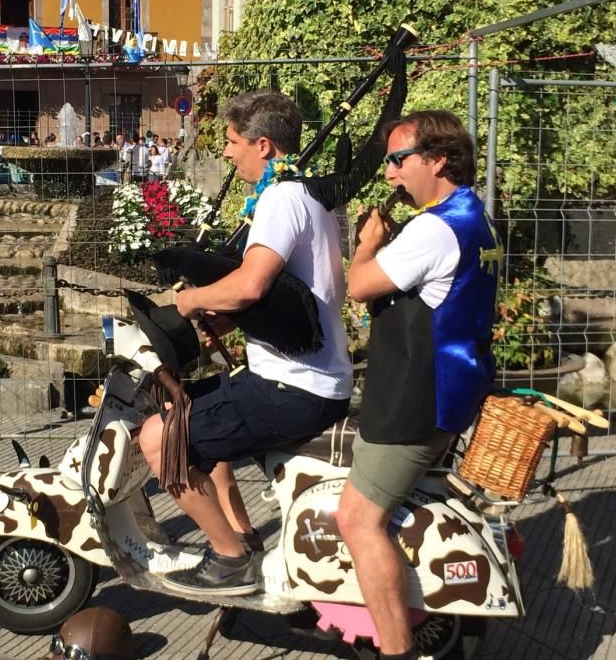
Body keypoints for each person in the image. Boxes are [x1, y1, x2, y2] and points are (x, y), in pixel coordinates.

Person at [138, 91, 352, 595]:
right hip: (305, 378)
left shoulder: (280, 199)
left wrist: (191, 304)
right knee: (187, 406)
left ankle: (230, 559)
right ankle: (240, 531)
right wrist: (229, 320)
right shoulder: (308, 197)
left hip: (294, 387)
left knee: (157, 439)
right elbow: (293, 299)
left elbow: (252, 285)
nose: (228, 154)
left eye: (233, 143)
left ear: (263, 145)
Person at [335, 111, 500, 660]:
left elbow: (358, 286)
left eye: (398, 160)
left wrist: (366, 243)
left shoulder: (433, 229)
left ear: (438, 160)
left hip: (413, 401)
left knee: (358, 519)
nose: (390, 175)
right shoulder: (477, 218)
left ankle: (396, 651)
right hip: (449, 395)